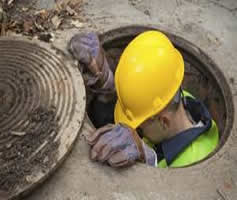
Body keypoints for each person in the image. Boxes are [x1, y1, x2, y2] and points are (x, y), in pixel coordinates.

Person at [68, 31, 219, 168]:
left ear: (164, 121)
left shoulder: (191, 163)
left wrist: (148, 160)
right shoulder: (176, 98)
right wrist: (107, 87)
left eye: (140, 126)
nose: (136, 130)